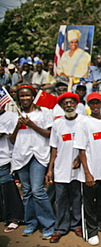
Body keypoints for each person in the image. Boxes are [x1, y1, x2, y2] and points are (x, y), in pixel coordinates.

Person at [9, 85, 55, 239]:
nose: (25, 98)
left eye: (28, 95)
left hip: (38, 155)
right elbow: (12, 139)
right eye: (21, 96)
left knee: (37, 191)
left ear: (33, 96)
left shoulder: (44, 112)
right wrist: (18, 125)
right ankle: (31, 222)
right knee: (27, 192)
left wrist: (31, 125)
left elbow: (49, 134)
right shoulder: (14, 114)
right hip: (21, 156)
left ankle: (48, 224)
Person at [73, 92, 101, 245]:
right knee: (89, 203)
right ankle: (90, 231)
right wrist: (87, 173)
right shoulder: (84, 122)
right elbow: (81, 150)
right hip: (89, 172)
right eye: (92, 103)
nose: (95, 106)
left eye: (98, 103)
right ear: (88, 105)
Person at [45, 92, 84, 243]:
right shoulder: (57, 123)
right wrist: (50, 169)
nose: (69, 105)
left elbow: (87, 145)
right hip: (61, 168)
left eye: (71, 103)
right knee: (61, 199)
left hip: (78, 169)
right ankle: (61, 227)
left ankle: (76, 225)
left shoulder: (83, 121)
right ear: (61, 106)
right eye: (65, 103)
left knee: (76, 198)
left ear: (76, 104)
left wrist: (80, 158)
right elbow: (54, 148)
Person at [0, 104, 24, 233]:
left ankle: (15, 217)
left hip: (5, 157)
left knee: (8, 189)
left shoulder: (11, 116)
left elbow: (9, 134)